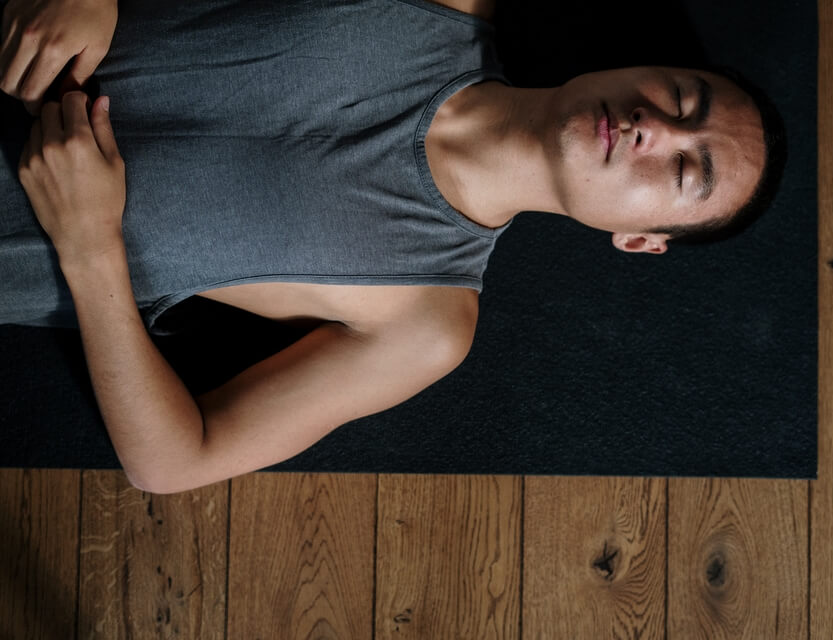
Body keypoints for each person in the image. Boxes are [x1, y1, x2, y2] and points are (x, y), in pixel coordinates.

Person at [0, 0, 782, 493]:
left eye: (684, 169)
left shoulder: (427, 322)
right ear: (647, 65)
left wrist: (91, 250)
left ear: (639, 241)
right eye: (682, 98)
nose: (654, 129)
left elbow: (175, 462)